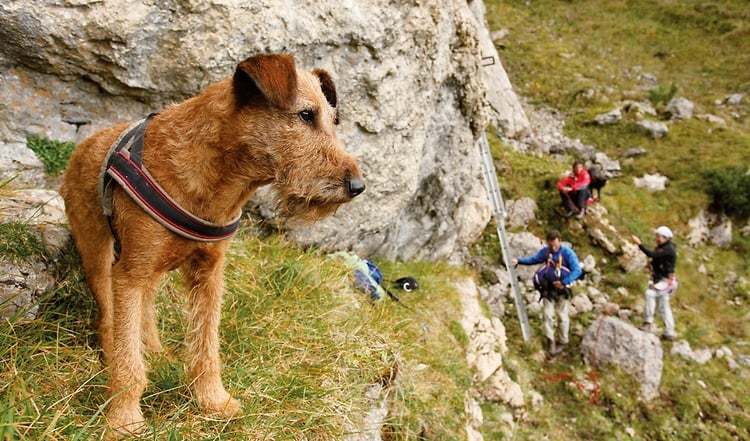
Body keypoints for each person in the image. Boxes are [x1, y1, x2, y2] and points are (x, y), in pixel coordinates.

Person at [512, 230, 582, 356]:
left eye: (555, 245)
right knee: (547, 314)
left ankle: (563, 342)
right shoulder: (546, 252)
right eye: (551, 245)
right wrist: (519, 261)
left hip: (563, 289)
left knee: (562, 316)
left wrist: (565, 282)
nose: (553, 248)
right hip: (548, 289)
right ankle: (551, 341)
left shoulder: (568, 253)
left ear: (560, 241)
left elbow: (577, 270)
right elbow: (533, 259)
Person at [632, 226, 678, 340]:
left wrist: (639, 244)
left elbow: (651, 255)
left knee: (650, 294)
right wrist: (651, 266)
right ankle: (669, 331)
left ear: (665, 238)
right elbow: (656, 259)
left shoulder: (668, 249)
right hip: (663, 279)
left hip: (666, 281)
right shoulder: (663, 248)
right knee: (663, 306)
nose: (656, 238)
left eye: (658, 236)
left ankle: (648, 322)